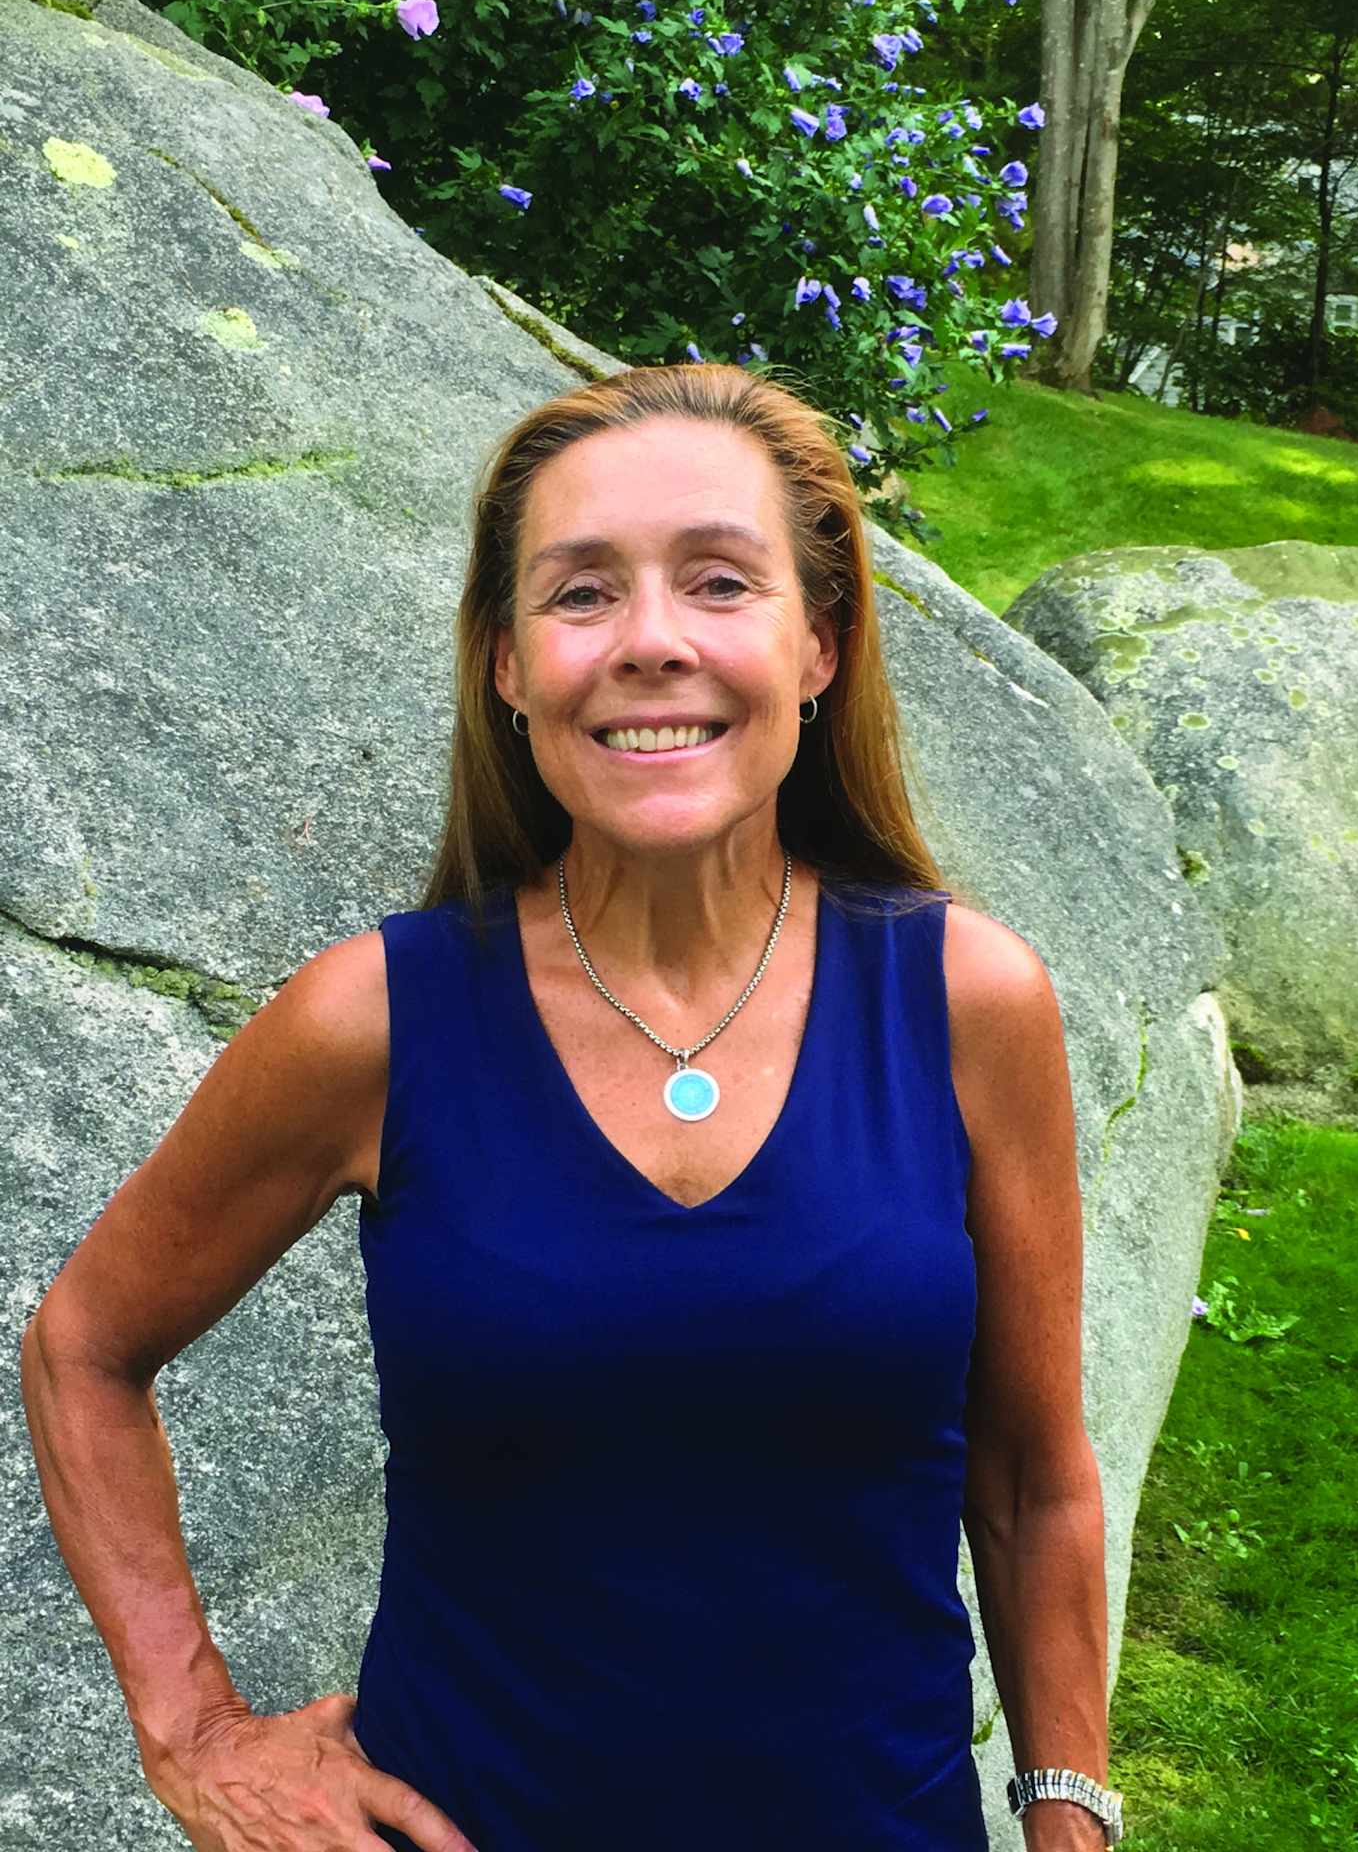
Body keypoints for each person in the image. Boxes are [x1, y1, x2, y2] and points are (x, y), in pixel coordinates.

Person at [20, 361, 1120, 1851]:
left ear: (820, 644)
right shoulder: (374, 1022)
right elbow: (84, 1344)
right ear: (509, 664)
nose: (651, 641)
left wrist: (1069, 1814)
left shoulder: (965, 1002)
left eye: (720, 582)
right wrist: (193, 1730)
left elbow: (1034, 1479)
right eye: (582, 594)